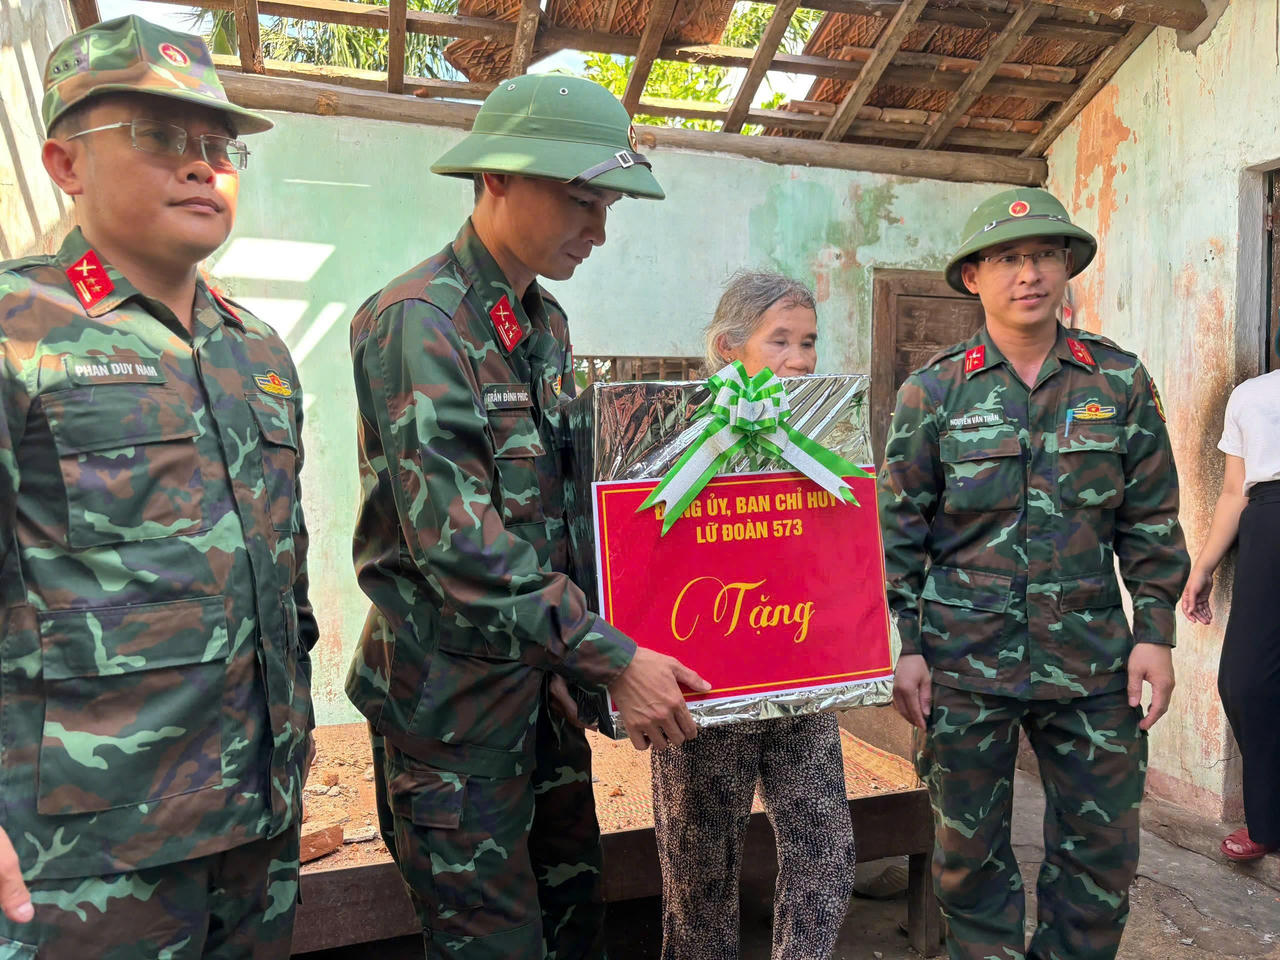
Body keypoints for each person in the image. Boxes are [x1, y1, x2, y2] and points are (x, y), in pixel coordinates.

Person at [345, 75, 710, 959]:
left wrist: (583, 661)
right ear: (497, 177)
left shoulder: (542, 321)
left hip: (538, 694)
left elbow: (562, 509)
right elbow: (460, 545)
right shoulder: (419, 322)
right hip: (453, 720)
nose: (600, 230)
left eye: (608, 206)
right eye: (583, 201)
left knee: (577, 924)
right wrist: (612, 658)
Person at [0, 16, 315, 958]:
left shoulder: (257, 350)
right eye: (159, 136)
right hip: (85, 855)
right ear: (65, 163)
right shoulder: (19, 330)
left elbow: (283, 581)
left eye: (219, 146)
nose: (200, 166)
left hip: (258, 827)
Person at [878, 187, 1189, 960]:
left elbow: (1150, 517)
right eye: (1009, 258)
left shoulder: (1118, 381)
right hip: (963, 663)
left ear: (1066, 266)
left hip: (1092, 661)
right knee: (967, 861)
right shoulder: (933, 392)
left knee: (1102, 859)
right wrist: (907, 644)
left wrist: (1155, 633)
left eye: (1046, 254)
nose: (1030, 273)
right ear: (973, 276)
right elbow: (899, 530)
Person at [648, 270, 856, 960]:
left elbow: (841, 549)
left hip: (799, 683)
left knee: (826, 854)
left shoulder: (821, 436)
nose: (800, 360)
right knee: (700, 881)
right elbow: (645, 556)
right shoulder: (678, 437)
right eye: (781, 341)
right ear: (728, 348)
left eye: (809, 342)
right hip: (705, 693)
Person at [1180, 368, 1280, 862]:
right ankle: (1269, 819)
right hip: (1270, 520)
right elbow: (1233, 491)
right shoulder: (1251, 395)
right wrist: (1203, 568)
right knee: (1244, 681)